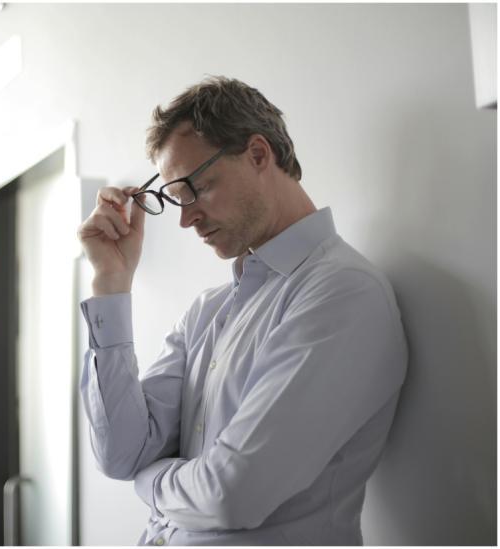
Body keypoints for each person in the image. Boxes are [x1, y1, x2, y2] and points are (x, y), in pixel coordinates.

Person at [76, 76, 408, 545]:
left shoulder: (343, 293)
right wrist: (111, 284)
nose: (186, 218)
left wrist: (150, 481)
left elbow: (231, 495)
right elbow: (120, 453)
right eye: (174, 198)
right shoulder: (207, 311)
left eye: (195, 188)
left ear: (257, 154)